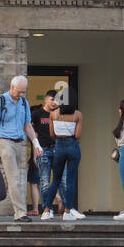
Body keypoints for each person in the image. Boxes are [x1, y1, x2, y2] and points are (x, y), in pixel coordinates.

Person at [0, 75, 43, 222]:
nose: (21, 95)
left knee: (6, 179)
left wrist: (36, 144)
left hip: (19, 142)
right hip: (4, 141)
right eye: (19, 92)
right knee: (15, 178)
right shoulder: (0, 101)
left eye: (24, 92)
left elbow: (27, 125)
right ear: (12, 87)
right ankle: (20, 213)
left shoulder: (24, 102)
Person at [47, 91, 85, 221]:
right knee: (70, 180)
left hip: (59, 146)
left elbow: (51, 134)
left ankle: (47, 210)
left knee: (55, 180)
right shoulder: (78, 114)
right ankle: (68, 211)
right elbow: (78, 135)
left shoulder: (53, 114)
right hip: (72, 145)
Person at [31, 89, 59, 217]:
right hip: (43, 149)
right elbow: (33, 134)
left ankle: (66, 207)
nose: (54, 103)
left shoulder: (59, 114)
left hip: (57, 148)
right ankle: (48, 208)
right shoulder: (37, 114)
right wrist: (35, 153)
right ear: (46, 99)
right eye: (52, 99)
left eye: (56, 100)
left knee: (62, 180)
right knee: (44, 180)